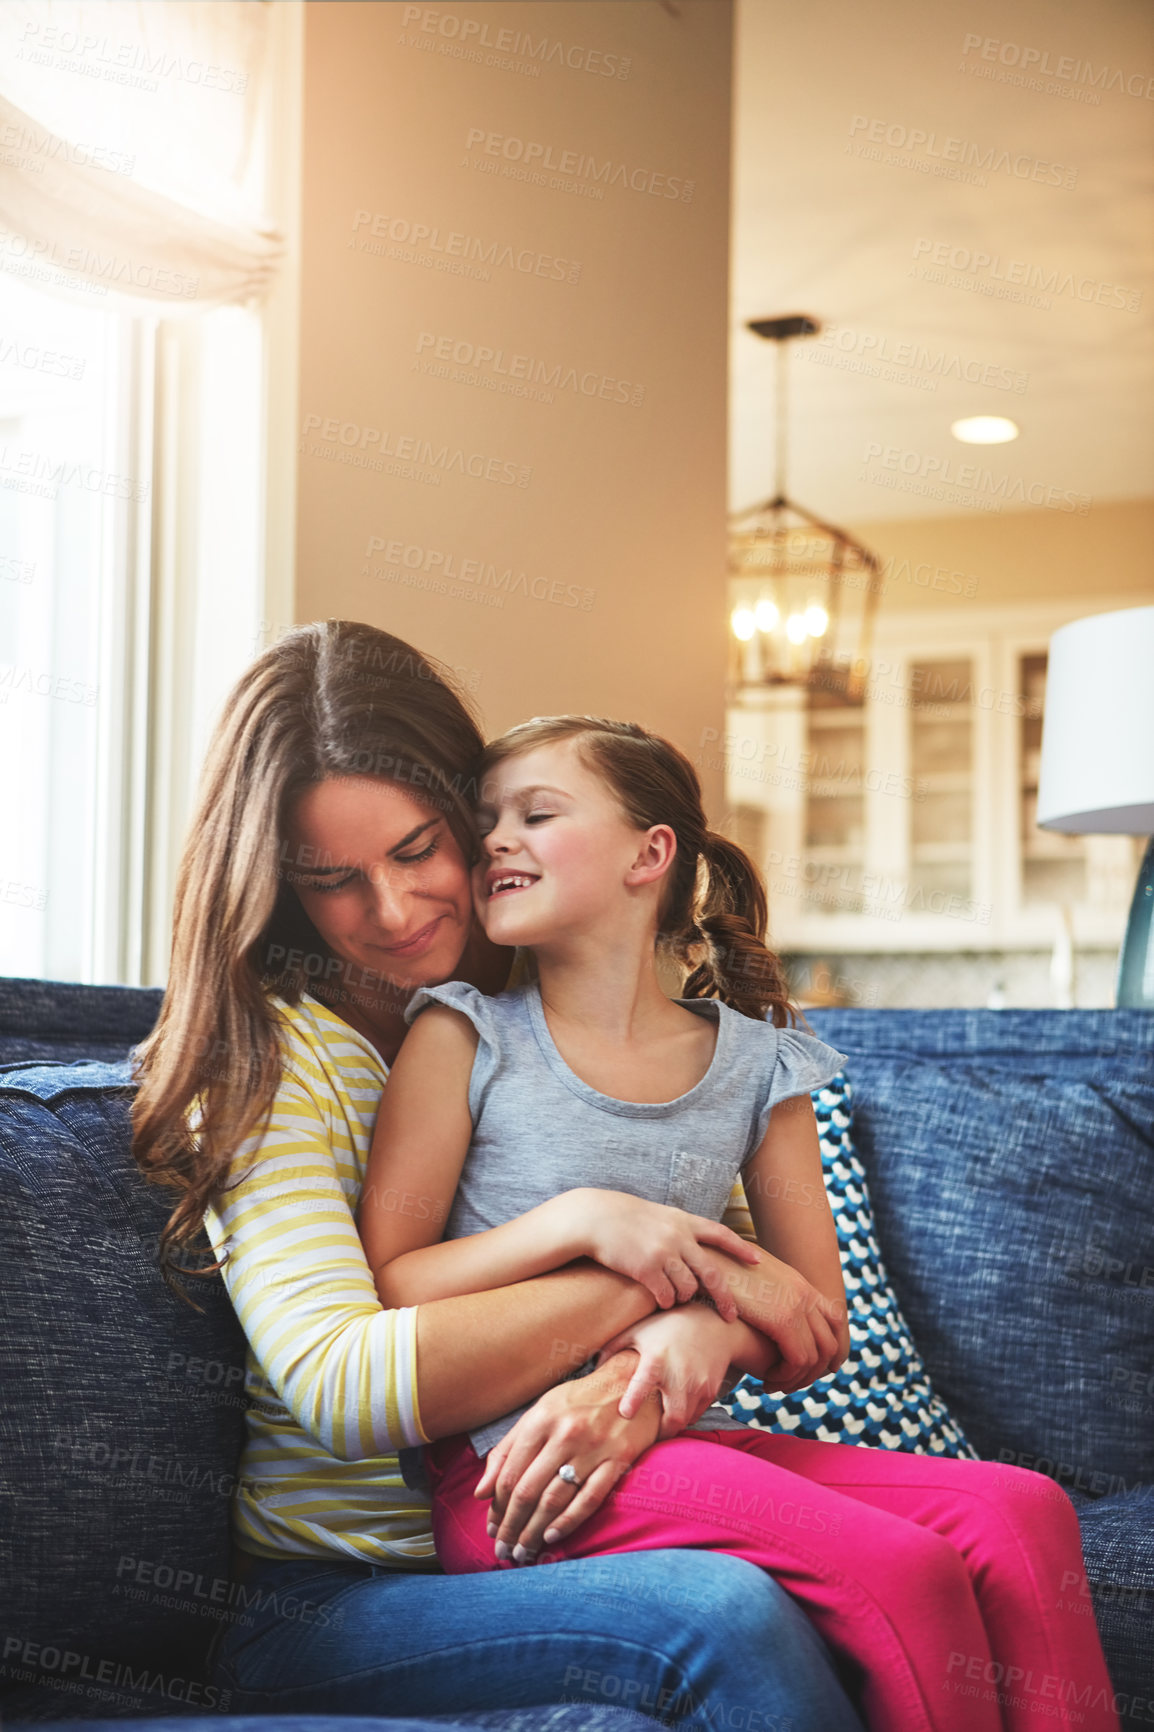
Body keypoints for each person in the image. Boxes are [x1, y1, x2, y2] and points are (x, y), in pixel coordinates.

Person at [129, 619, 868, 1732]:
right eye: (331, 881)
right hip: (342, 1597)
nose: (391, 910)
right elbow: (344, 1382)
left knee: (920, 1553)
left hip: (577, 1528)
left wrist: (681, 1342)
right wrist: (637, 1268)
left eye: (419, 848)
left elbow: (767, 1296)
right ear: (275, 884)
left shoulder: (554, 1023)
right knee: (720, 1617)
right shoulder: (271, 1062)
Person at [355, 712, 1122, 1732]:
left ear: (649, 854)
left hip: (685, 1436)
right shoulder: (461, 1035)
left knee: (1020, 1510)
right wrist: (584, 1219)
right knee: (897, 1564)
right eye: (485, 817)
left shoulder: (763, 1066)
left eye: (535, 813)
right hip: (518, 1467)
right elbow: (393, 1280)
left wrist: (707, 1326)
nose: (493, 838)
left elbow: (813, 1323)